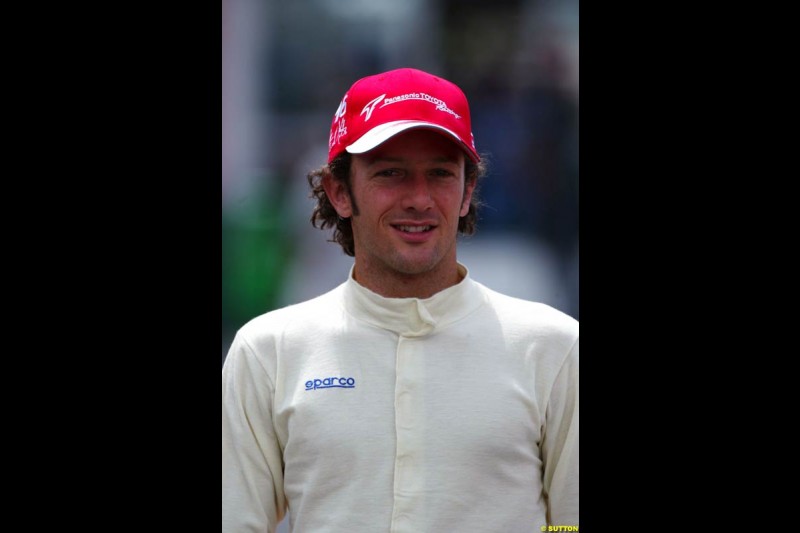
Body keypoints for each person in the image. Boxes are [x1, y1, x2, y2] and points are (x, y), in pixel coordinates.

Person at [222, 67, 579, 532]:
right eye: (391, 174)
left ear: (467, 192)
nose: (419, 199)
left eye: (440, 174)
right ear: (340, 191)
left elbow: (569, 522)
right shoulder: (268, 351)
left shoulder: (554, 347)